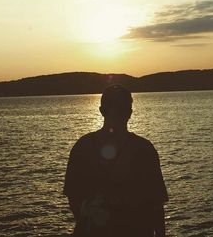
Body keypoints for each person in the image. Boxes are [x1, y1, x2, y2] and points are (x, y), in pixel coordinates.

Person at [64, 84, 168, 237]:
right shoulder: (144, 149)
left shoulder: (82, 146)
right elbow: (156, 204)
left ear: (101, 111)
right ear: (130, 113)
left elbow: (73, 198)